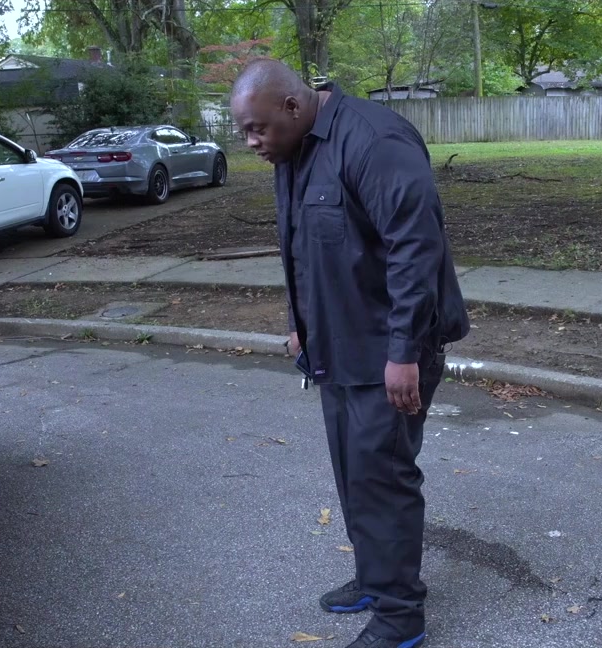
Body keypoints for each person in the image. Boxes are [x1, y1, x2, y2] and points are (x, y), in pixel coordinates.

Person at [229, 59, 470, 648]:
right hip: (336, 345)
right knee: (353, 471)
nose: (251, 142)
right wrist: (300, 325)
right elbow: (303, 246)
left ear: (292, 105)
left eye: (256, 129)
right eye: (244, 132)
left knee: (382, 478)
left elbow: (415, 248)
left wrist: (404, 352)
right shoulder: (294, 151)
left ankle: (400, 617)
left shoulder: (374, 140)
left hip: (389, 349)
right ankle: (374, 575)